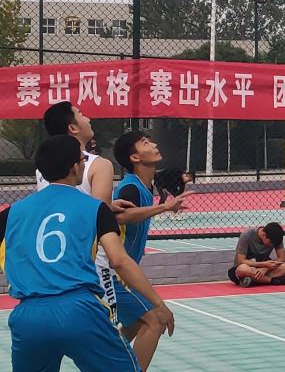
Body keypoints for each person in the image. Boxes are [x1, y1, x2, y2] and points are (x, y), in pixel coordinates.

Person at [2, 135, 174, 372]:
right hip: (78, 310)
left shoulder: (11, 212)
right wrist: (158, 304)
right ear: (75, 167)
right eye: (82, 160)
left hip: (28, 316)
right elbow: (119, 260)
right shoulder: (95, 208)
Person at [37, 102, 135, 320]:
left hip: (55, 255)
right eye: (81, 114)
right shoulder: (100, 164)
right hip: (91, 258)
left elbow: (66, 203)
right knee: (105, 323)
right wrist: (108, 207)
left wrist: (108, 204)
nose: (88, 118)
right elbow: (97, 216)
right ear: (72, 128)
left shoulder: (43, 167)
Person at [112, 131, 193, 370]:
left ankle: (102, 359)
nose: (154, 144)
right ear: (135, 157)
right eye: (145, 142)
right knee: (156, 319)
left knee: (136, 323)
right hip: (112, 272)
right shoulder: (131, 187)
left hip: (124, 271)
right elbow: (120, 216)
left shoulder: (147, 184)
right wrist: (165, 208)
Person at [229, 223, 285, 287]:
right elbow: (241, 261)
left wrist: (265, 268)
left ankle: (254, 280)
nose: (272, 245)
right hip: (249, 267)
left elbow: (282, 258)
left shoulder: (276, 238)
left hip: (263, 268)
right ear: (264, 235)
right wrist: (263, 264)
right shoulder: (247, 235)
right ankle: (273, 280)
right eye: (271, 243)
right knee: (242, 269)